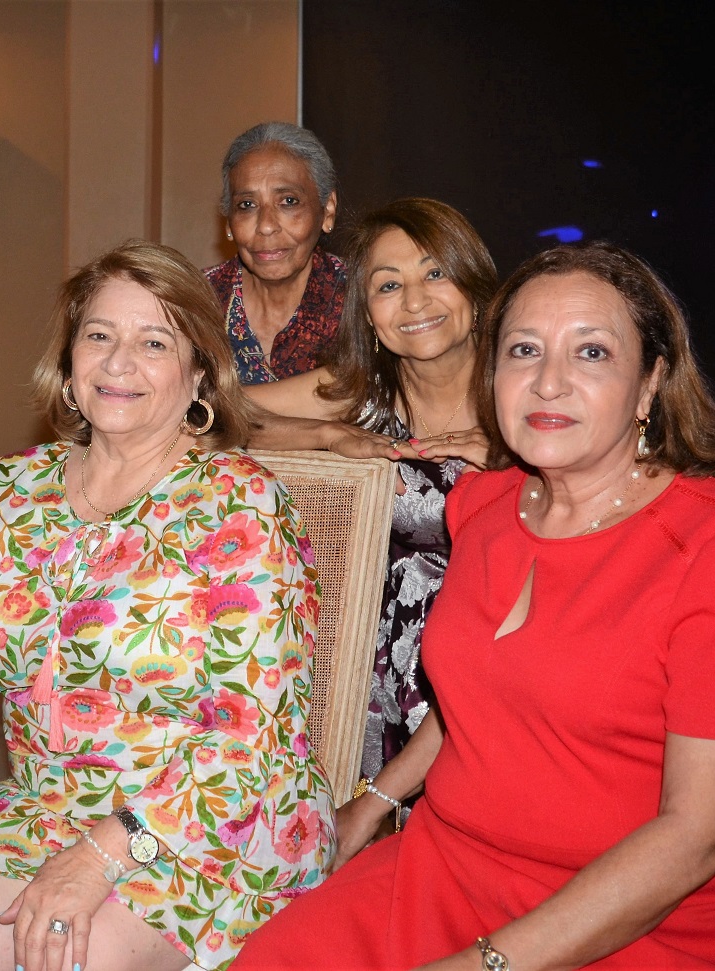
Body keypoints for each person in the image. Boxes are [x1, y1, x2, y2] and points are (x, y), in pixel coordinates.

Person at [231, 240, 715, 970]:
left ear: (649, 384)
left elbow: (702, 835)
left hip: (644, 922)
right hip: (447, 871)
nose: (548, 382)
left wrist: (487, 964)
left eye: (592, 353)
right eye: (523, 350)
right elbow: (476, 695)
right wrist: (376, 800)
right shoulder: (483, 507)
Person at [0, 239, 335, 971]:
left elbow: (250, 741)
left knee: (51, 954)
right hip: (44, 808)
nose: (118, 362)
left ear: (198, 373)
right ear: (71, 363)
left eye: (153, 342)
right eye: (100, 335)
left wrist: (106, 852)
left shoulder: (240, 506)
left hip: (210, 825)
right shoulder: (14, 490)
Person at [244, 197, 498, 791]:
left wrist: (521, 457)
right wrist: (328, 434)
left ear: (474, 285)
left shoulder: (527, 389)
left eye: (435, 273)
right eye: (389, 285)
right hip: (364, 672)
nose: (414, 301)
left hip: (495, 676)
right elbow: (204, 416)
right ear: (368, 315)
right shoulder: (360, 396)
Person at [206, 120, 345, 384]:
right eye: (246, 205)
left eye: (288, 202)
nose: (266, 226)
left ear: (327, 210)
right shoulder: (195, 302)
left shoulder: (362, 300)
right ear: (228, 223)